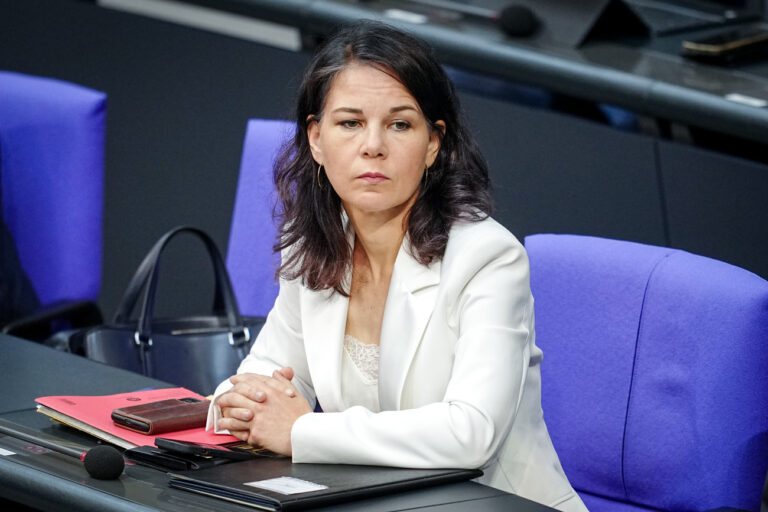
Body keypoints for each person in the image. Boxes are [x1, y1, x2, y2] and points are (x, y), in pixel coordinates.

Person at [207, 21, 587, 512]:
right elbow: (259, 382)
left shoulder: (487, 258)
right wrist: (237, 407)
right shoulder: (315, 247)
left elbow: (470, 434)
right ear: (316, 139)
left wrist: (302, 430)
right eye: (350, 123)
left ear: (434, 143)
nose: (373, 146)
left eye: (400, 124)